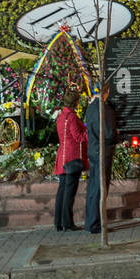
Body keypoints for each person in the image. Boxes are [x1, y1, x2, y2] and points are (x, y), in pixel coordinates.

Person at [83, 85, 118, 234]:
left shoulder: (90, 108)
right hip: (103, 151)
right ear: (107, 92)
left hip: (92, 149)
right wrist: (116, 133)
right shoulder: (105, 109)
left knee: (93, 187)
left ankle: (90, 221)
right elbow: (109, 133)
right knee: (100, 188)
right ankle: (95, 224)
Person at [53, 90, 88, 232]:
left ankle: (58, 222)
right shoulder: (72, 117)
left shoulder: (61, 115)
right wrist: (90, 131)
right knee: (69, 192)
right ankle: (68, 222)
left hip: (62, 155)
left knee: (62, 190)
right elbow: (78, 137)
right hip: (71, 156)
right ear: (76, 102)